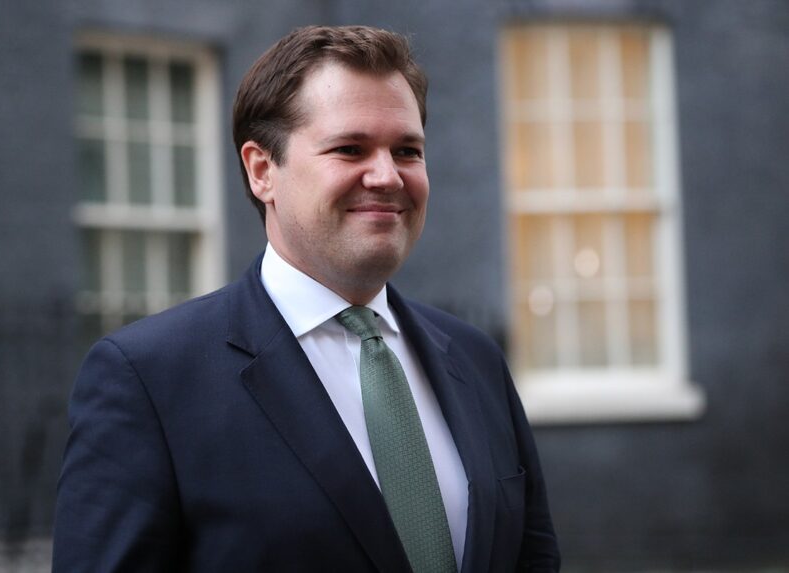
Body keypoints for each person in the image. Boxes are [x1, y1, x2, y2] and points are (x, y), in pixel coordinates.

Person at [53, 25, 560, 572]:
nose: (388, 176)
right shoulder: (149, 379)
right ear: (261, 170)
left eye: (407, 150)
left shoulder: (474, 358)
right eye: (350, 148)